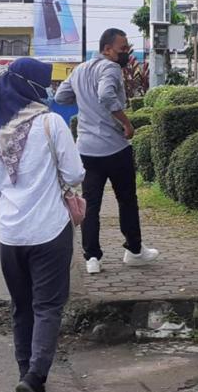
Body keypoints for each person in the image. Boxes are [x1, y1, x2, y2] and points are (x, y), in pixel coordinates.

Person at [0, 58, 85, 392]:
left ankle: (26, 372)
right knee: (48, 306)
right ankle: (36, 377)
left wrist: (16, 191)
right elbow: (74, 171)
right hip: (49, 231)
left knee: (21, 307)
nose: (50, 89)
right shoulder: (51, 123)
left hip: (9, 234)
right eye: (46, 83)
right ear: (33, 86)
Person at [55, 28, 159, 275]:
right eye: (122, 49)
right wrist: (126, 122)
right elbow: (105, 95)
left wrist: (84, 103)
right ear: (107, 49)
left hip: (87, 149)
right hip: (114, 148)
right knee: (127, 200)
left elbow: (61, 96)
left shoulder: (80, 69)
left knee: (90, 204)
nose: (126, 52)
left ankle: (92, 258)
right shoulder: (110, 68)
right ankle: (134, 251)